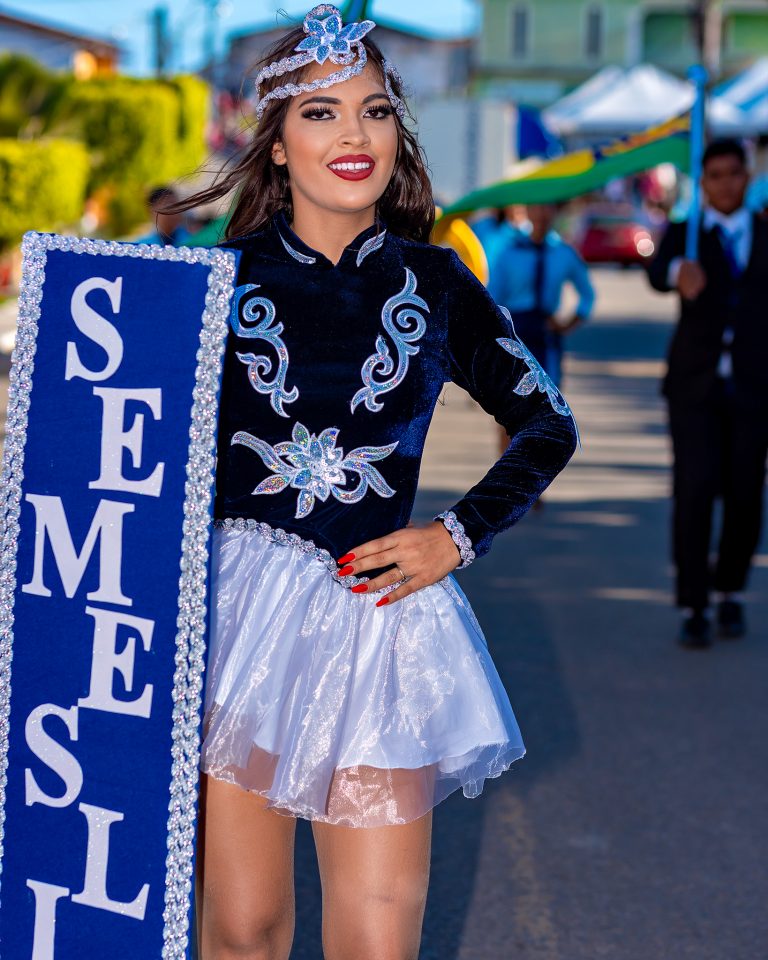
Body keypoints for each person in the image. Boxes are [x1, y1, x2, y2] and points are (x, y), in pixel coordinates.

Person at [173, 7, 577, 958]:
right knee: (242, 930)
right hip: (235, 632)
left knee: (376, 940)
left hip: (380, 626)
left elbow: (547, 425)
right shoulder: (206, 284)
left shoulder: (437, 282)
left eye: (376, 110)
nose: (354, 134)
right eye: (321, 112)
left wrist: (456, 534)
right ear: (277, 145)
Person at [648, 138, 768, 648]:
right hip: (695, 387)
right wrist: (678, 271)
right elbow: (657, 272)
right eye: (715, 176)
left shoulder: (764, 231)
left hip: (754, 387)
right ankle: (694, 603)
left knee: (745, 493)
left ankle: (730, 592)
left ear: (747, 176)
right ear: (703, 183)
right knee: (694, 491)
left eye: (733, 174)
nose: (725, 184)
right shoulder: (688, 233)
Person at [487, 202, 594, 456]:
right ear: (527, 211)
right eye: (536, 208)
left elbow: (587, 295)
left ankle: (535, 476)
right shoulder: (509, 252)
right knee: (510, 412)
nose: (542, 214)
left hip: (546, 336)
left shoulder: (563, 253)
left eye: (548, 208)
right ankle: (507, 474)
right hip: (515, 335)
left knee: (547, 411)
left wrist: (569, 323)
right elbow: (492, 299)